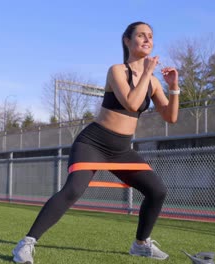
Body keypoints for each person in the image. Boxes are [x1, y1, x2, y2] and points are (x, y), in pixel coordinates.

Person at [12, 21, 179, 263]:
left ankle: (141, 244)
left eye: (150, 36)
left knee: (157, 191)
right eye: (141, 35)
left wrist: (173, 87)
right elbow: (131, 103)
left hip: (121, 149)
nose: (147, 40)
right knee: (73, 190)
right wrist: (147, 73)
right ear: (127, 41)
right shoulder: (117, 71)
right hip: (94, 142)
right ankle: (25, 244)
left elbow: (170, 117)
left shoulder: (152, 83)